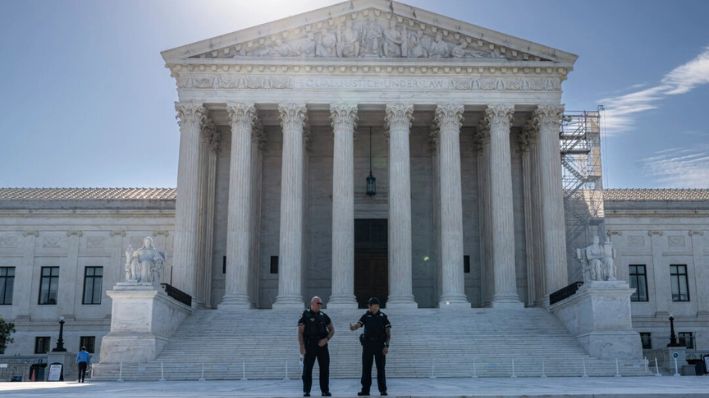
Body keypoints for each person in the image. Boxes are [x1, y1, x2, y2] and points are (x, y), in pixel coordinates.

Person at [350, 297, 391, 396]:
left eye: (377, 306)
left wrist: (386, 346)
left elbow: (388, 333)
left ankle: (383, 390)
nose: (376, 308)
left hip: (380, 345)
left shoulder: (383, 316)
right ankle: (365, 390)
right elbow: (359, 324)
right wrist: (353, 327)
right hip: (368, 345)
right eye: (374, 306)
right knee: (366, 368)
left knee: (380, 368)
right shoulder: (366, 316)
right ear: (369, 306)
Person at [298, 296, 334, 397]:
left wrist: (326, 339)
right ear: (312, 303)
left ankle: (325, 391)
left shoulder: (324, 315)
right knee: (307, 369)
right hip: (310, 345)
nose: (320, 305)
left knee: (324, 369)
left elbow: (332, 330)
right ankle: (306, 391)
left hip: (322, 346)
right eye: (318, 303)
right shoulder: (305, 315)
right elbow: (300, 332)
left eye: (320, 304)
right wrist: (301, 346)